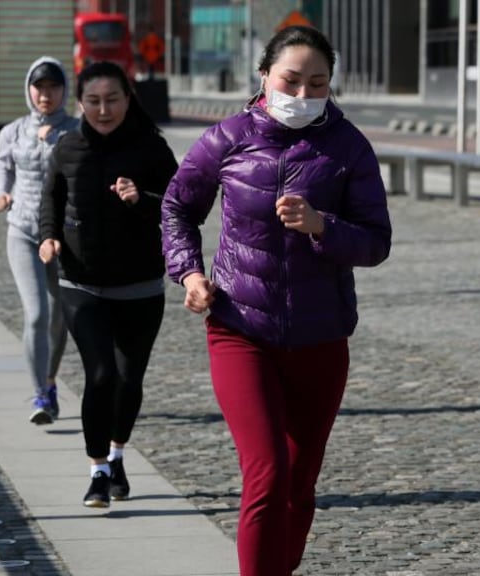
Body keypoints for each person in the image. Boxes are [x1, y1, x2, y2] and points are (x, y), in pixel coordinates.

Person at [161, 25, 392, 576]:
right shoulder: (228, 137)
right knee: (266, 476)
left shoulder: (348, 146)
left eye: (318, 83)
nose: (303, 94)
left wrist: (322, 226)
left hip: (321, 336)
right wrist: (190, 273)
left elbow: (376, 241)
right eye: (291, 80)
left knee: (299, 484)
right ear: (264, 76)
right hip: (241, 329)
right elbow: (176, 209)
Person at [38, 61, 178, 508]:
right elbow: (51, 198)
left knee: (128, 378)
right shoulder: (68, 147)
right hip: (81, 284)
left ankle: (118, 454)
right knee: (100, 375)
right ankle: (98, 471)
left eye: (112, 99)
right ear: (80, 103)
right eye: (94, 101)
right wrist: (49, 236)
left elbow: (181, 209)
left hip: (140, 286)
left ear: (127, 99)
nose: (103, 109)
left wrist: (142, 199)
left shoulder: (152, 150)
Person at [0, 57, 78, 426]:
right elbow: (3, 164)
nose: (46, 94)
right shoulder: (13, 131)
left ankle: (49, 380)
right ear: (29, 89)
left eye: (53, 87)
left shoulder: (76, 131)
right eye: (39, 87)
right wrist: (1, 192)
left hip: (62, 238)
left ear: (64, 91)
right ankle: (40, 395)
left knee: (60, 320)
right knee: (37, 314)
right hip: (23, 233)